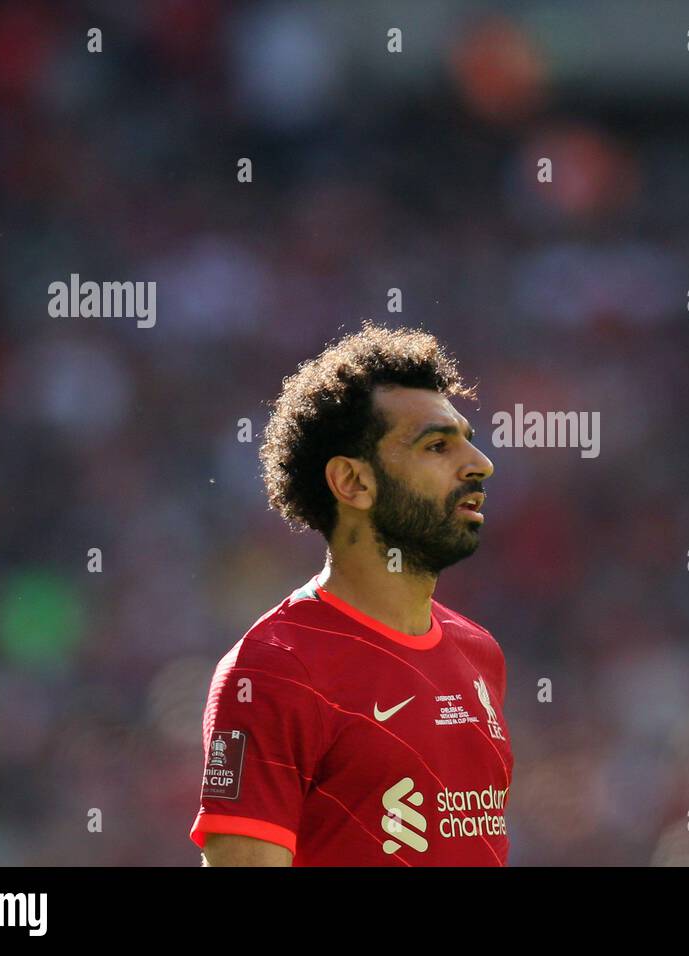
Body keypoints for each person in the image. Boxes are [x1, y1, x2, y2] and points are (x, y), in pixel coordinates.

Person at [190, 322, 512, 865]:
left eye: (468, 441)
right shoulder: (274, 671)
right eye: (437, 445)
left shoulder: (480, 653)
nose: (480, 465)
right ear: (353, 483)